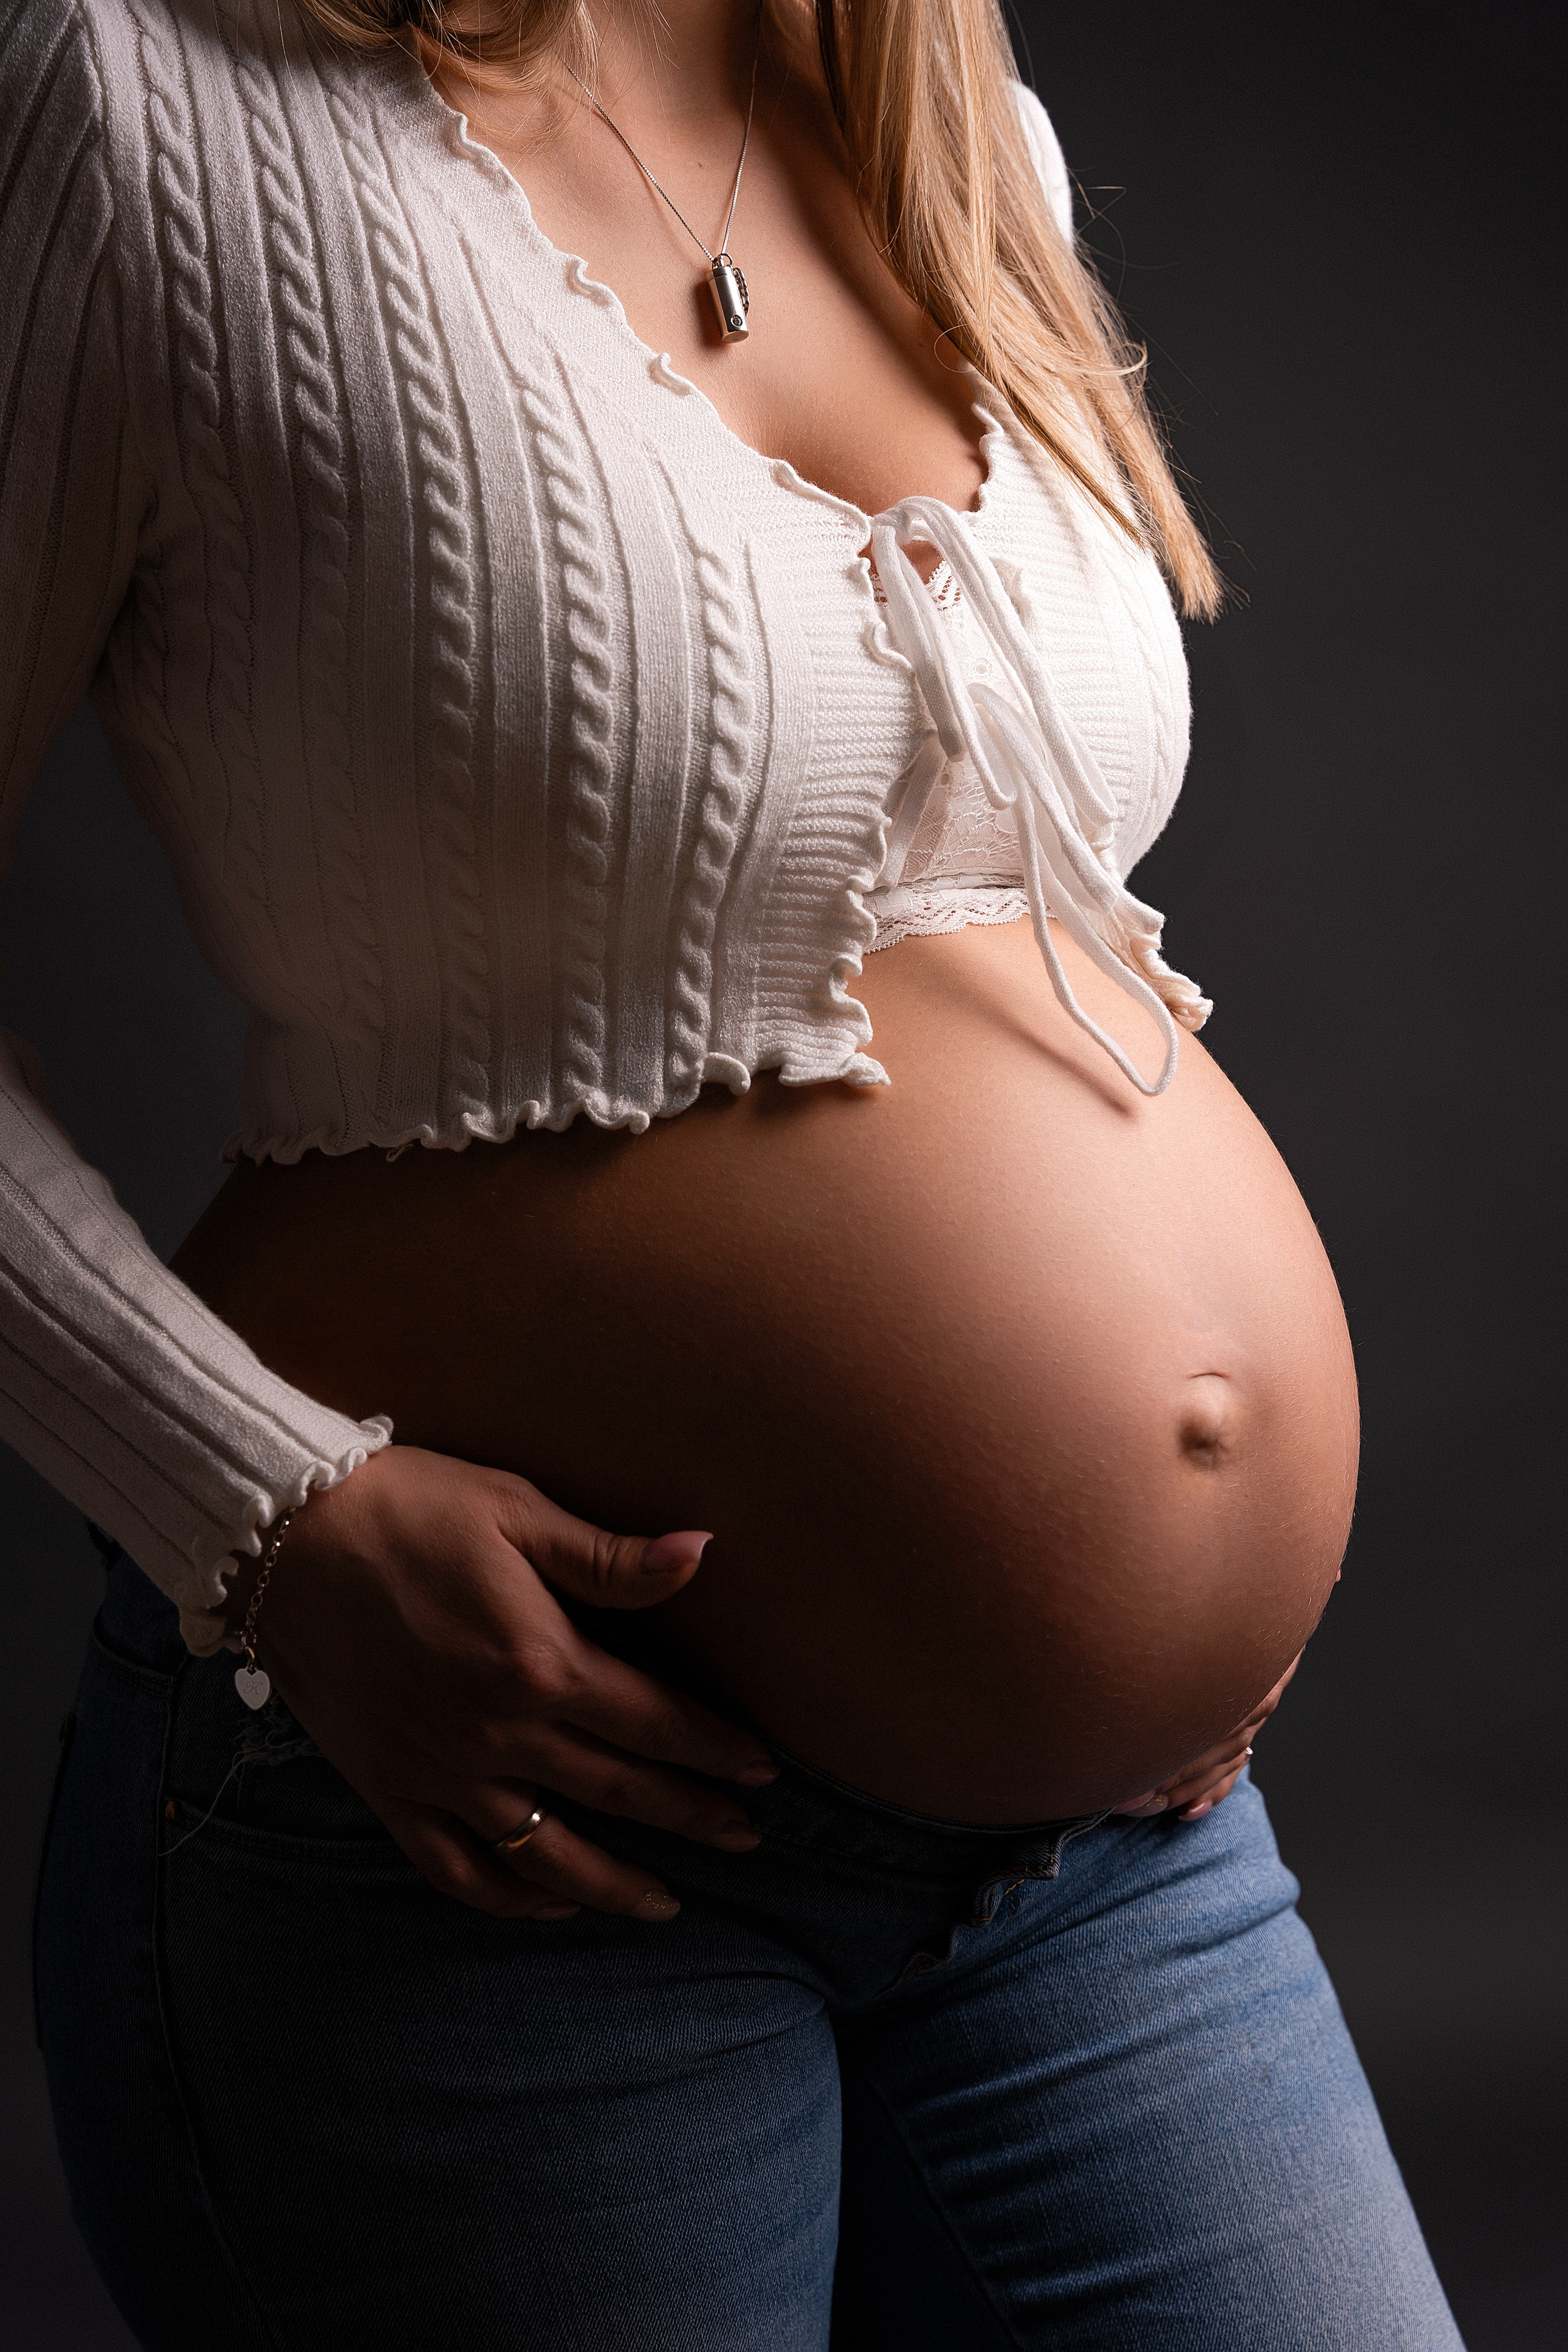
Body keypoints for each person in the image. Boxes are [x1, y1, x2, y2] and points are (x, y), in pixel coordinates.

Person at [2, 0, 1464, 2343]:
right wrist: (253, 1511)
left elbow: (986, 879)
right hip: (492, 1840)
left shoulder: (946, 120)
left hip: (1105, 1866)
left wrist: (1147, 1553)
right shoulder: (138, 107)